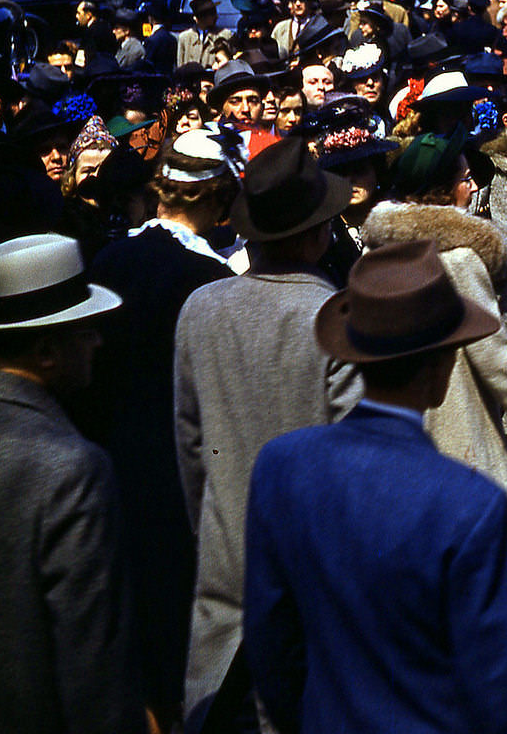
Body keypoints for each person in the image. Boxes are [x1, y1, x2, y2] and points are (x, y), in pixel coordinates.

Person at [243, 241, 507, 734]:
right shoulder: (472, 504)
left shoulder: (281, 465)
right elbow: (495, 694)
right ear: (442, 366)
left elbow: (271, 643)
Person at [173, 136, 363, 726]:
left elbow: (189, 453)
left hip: (225, 578)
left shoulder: (199, 309)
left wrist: (214, 535)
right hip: (312, 594)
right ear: (317, 234)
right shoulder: (336, 320)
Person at [90, 130, 238, 731]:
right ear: (212, 199)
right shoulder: (209, 275)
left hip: (109, 458)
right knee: (174, 617)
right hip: (177, 469)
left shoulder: (108, 258)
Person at [0, 233, 146, 734]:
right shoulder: (71, 469)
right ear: (47, 350)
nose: (97, 343)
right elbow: (95, 667)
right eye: (85, 330)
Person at [362, 129, 507, 571]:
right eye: (466, 179)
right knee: (473, 547)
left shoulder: (379, 250)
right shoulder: (461, 260)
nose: (473, 187)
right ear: (445, 191)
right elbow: (490, 350)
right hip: (458, 411)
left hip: (402, 411)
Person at [176, 0, 233, 68]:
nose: (216, 17)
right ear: (200, 17)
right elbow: (180, 66)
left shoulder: (224, 34)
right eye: (211, 14)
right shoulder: (185, 38)